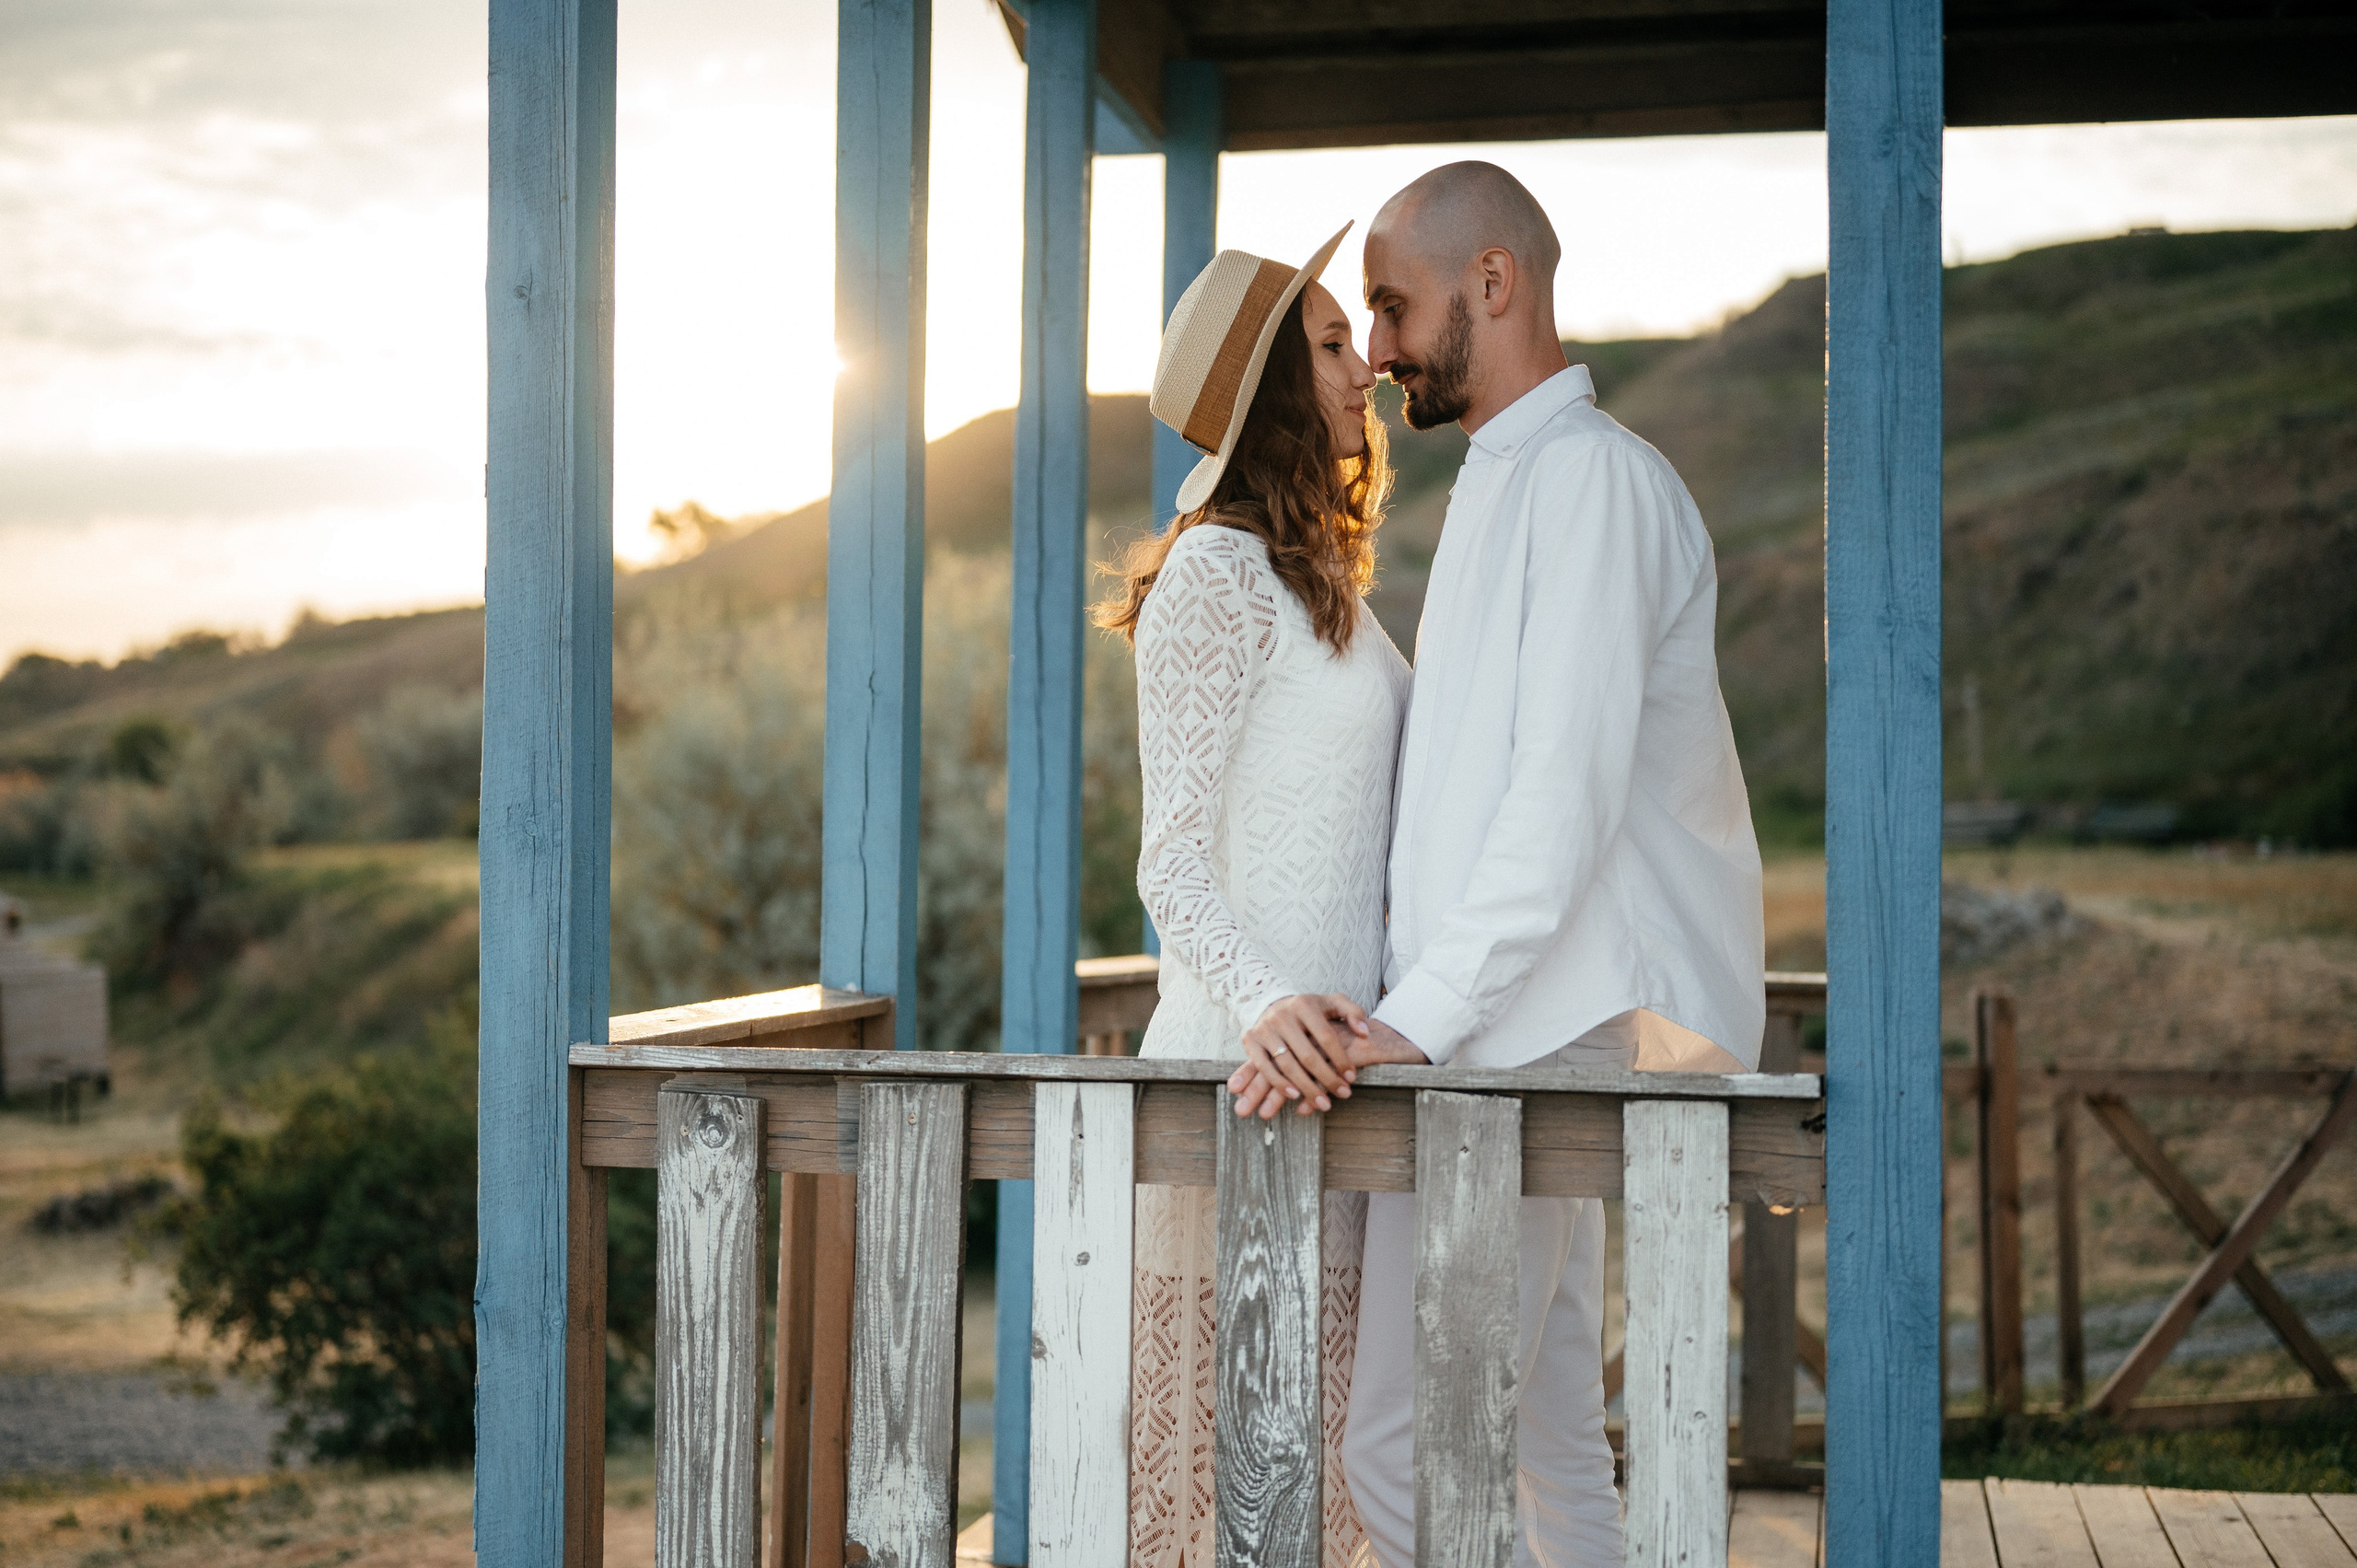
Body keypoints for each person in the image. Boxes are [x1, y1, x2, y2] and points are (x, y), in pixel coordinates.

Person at [1226, 161, 1768, 1566]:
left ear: (1494, 282)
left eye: (1395, 309)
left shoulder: (1593, 485)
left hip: (1516, 1039)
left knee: (1400, 1450)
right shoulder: (1506, 482)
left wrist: (1421, 1016)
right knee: (1546, 1439)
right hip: (1510, 1030)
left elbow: (1563, 799)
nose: (1385, 346)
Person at [1097, 223, 1408, 1568]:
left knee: (1335, 1476)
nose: (1367, 374)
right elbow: (1169, 857)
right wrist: (1270, 1000)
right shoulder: (1215, 580)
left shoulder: (1325, 580)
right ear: (1277, 383)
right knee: (1231, 1488)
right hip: (1244, 1074)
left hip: (1342, 1077)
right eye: (1335, 346)